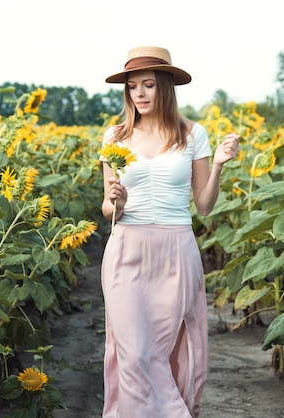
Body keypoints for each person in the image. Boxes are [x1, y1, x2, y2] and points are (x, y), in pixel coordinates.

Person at [99, 46, 240, 418]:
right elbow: (107, 208)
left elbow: (204, 205)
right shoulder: (115, 136)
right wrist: (118, 200)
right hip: (126, 248)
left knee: (165, 352)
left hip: (176, 250)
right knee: (133, 353)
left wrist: (220, 167)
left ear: (166, 86)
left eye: (148, 85)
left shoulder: (194, 134)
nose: (139, 94)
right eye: (132, 87)